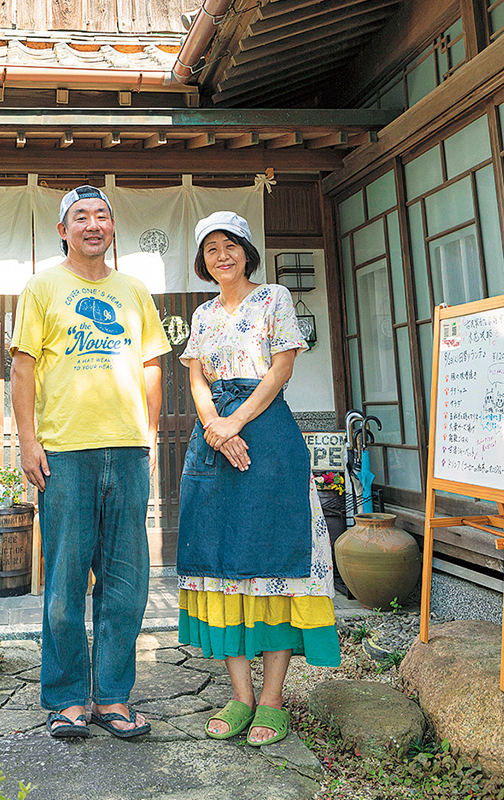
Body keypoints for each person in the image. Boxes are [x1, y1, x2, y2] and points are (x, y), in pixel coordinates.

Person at [10, 185, 171, 739]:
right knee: (63, 581)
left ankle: (113, 698)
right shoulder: (42, 288)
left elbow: (152, 365)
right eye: (81, 217)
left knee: (126, 582)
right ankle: (66, 698)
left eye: (102, 215)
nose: (93, 224)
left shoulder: (134, 291)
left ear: (112, 229)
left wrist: (148, 436)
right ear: (63, 230)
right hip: (65, 454)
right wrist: (29, 442)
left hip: (126, 451)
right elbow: (24, 370)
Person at [176, 211, 340, 747]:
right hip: (215, 436)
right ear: (203, 261)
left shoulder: (274, 298)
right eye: (210, 249)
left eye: (229, 246)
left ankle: (271, 700)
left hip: (266, 432)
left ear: (247, 251)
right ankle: (240, 696)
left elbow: (281, 368)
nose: (221, 256)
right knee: (221, 559)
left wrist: (234, 422)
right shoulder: (201, 316)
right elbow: (197, 376)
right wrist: (213, 429)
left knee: (273, 557)